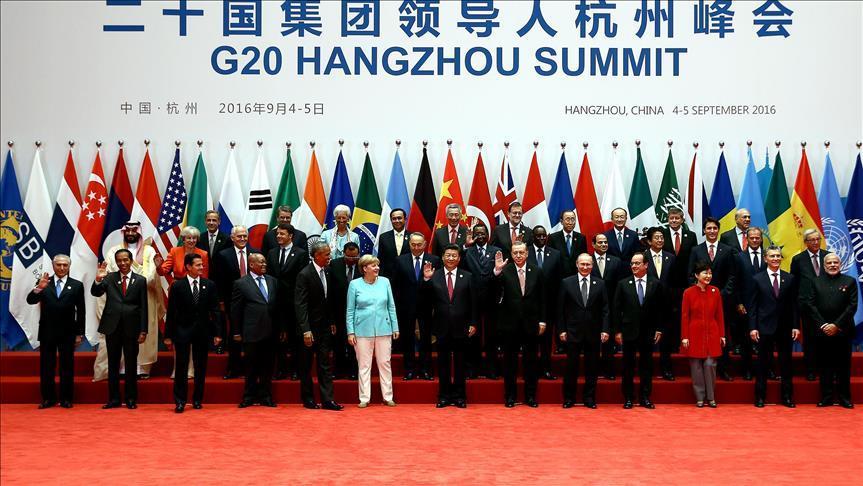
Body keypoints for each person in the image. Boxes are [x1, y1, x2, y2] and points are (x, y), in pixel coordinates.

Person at [93, 222, 163, 381]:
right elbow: (109, 277)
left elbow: (150, 277)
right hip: (118, 301)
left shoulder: (149, 251)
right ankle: (120, 369)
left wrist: (135, 283)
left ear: (139, 232)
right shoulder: (114, 251)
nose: (130, 233)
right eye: (128, 230)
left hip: (143, 300)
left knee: (140, 336)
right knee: (117, 341)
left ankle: (142, 369)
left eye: (134, 230)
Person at [164, 253, 222, 412]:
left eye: (202, 264)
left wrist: (218, 333)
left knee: (200, 367)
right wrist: (168, 335)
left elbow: (215, 310)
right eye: (198, 265)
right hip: (182, 331)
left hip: (202, 331)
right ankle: (180, 401)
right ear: (188, 267)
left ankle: (197, 399)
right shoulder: (177, 286)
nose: (201, 267)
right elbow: (172, 312)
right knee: (181, 367)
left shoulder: (209, 285)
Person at [91, 249, 148, 409]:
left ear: (131, 261)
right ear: (116, 262)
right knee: (113, 364)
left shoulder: (140, 280)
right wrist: (98, 280)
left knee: (131, 364)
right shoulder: (109, 278)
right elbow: (96, 292)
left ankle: (131, 399)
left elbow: (144, 307)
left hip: (132, 328)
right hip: (112, 327)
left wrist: (143, 330)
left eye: (125, 260)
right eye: (119, 261)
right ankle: (114, 399)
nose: (122, 263)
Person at [26, 254, 85, 409]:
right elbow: (30, 300)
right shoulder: (44, 282)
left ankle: (66, 399)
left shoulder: (77, 285)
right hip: (47, 331)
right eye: (58, 265)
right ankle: (48, 399)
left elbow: (81, 311)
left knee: (67, 366)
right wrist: (39, 288)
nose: (62, 268)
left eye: (65, 265)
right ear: (53, 266)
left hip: (68, 332)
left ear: (69, 266)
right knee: (47, 366)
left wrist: (79, 333)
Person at [423, 244, 478, 408]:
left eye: (454, 255)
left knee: (460, 364)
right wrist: (426, 280)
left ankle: (460, 397)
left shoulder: (467, 276)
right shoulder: (433, 275)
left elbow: (473, 303)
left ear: (459, 258)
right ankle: (444, 396)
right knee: (443, 364)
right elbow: (424, 301)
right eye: (448, 255)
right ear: (442, 257)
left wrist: (473, 323)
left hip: (462, 327)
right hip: (441, 326)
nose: (451, 258)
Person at [801, 253, 858, 408]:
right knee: (824, 366)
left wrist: (836, 325)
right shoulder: (815, 282)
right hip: (822, 332)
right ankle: (826, 397)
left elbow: (852, 306)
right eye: (829, 263)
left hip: (843, 331)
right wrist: (824, 325)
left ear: (840, 264)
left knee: (843, 367)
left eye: (835, 262)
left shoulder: (850, 281)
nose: (833, 265)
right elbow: (810, 305)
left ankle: (845, 398)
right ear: (824, 265)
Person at [493, 241, 546, 408]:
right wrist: (496, 272)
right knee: (510, 363)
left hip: (531, 323)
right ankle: (510, 397)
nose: (518, 255)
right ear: (511, 254)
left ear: (527, 253)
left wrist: (542, 320)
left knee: (531, 362)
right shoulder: (504, 271)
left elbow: (543, 298)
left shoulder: (537, 271)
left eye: (521, 252)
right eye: (515, 252)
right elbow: (494, 294)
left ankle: (530, 397)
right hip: (510, 324)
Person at [748, 246, 799, 408]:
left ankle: (787, 397)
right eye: (772, 256)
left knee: (786, 363)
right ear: (765, 259)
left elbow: (794, 305)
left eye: (778, 256)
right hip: (764, 327)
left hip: (785, 327)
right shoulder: (757, 279)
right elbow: (753, 306)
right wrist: (753, 327)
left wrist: (795, 326)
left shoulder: (790, 278)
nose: (776, 259)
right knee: (762, 364)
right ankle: (760, 397)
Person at [295, 241, 343, 411]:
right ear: (316, 255)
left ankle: (328, 400)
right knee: (306, 365)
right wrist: (305, 330)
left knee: (324, 364)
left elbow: (329, 300)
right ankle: (308, 398)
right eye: (327, 254)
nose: (330, 257)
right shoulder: (304, 274)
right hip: (309, 328)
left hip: (324, 327)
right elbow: (300, 304)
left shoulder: (328, 271)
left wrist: (332, 321)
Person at [613, 253, 665, 409]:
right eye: (632, 263)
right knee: (628, 366)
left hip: (648, 331)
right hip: (629, 331)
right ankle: (628, 398)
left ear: (646, 265)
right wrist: (617, 331)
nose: (634, 266)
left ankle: (645, 397)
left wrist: (659, 328)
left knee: (646, 366)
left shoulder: (655, 283)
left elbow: (660, 309)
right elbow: (616, 309)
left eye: (637, 263)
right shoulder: (623, 284)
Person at [347, 255, 400, 408]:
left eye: (378, 265)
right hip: (361, 330)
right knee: (364, 365)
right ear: (364, 268)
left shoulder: (385, 282)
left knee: (385, 363)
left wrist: (395, 327)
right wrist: (350, 332)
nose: (377, 268)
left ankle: (388, 396)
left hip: (384, 328)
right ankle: (364, 398)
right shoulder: (354, 284)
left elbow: (391, 306)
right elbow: (350, 310)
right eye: (373, 265)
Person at [558, 254, 609, 409]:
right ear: (577, 264)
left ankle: (589, 398)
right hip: (572, 332)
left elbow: (605, 309)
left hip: (593, 332)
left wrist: (605, 329)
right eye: (582, 264)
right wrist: (561, 329)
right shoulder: (566, 283)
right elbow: (560, 309)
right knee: (571, 367)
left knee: (592, 367)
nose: (585, 267)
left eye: (588, 264)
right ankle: (569, 398)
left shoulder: (600, 283)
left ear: (592, 265)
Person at [688, 217, 737, 381]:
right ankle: (702, 369)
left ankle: (723, 369)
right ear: (704, 231)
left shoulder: (728, 250)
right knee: (702, 335)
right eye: (708, 228)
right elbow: (690, 275)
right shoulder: (696, 250)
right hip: (700, 301)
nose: (711, 231)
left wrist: (721, 294)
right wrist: (700, 292)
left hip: (722, 300)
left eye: (714, 228)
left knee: (722, 335)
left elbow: (732, 275)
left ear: (718, 230)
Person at [232, 253, 280, 408]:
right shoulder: (241, 283)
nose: (264, 264)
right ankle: (249, 397)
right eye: (261, 262)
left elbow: (278, 306)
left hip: (270, 331)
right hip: (251, 332)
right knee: (251, 367)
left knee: (268, 367)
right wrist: (236, 331)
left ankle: (266, 396)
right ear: (251, 265)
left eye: (265, 262)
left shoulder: (273, 281)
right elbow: (236, 310)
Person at [392, 232, 441, 380]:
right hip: (406, 307)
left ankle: (426, 370)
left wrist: (427, 280)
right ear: (409, 244)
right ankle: (409, 370)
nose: (416, 247)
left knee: (426, 339)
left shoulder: (434, 260)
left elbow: (438, 285)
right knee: (408, 339)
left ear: (425, 244)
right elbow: (396, 285)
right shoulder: (400, 260)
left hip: (427, 306)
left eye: (419, 244)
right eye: (413, 244)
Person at [212, 225, 258, 379]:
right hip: (233, 302)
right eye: (239, 236)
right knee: (235, 336)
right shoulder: (223, 255)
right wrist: (221, 301)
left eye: (245, 236)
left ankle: (251, 370)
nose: (243, 238)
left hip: (253, 302)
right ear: (232, 238)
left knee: (252, 337)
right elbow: (219, 280)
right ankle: (233, 368)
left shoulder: (256, 253)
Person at [265, 223, 309, 381]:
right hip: (276, 303)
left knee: (295, 339)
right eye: (277, 234)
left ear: (291, 236)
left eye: (282, 234)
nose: (278, 236)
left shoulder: (301, 254)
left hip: (293, 303)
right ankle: (281, 369)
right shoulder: (272, 253)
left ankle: (296, 369)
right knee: (278, 339)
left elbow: (302, 279)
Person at [681, 261, 727, 408]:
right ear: (696, 275)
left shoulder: (715, 291)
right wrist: (685, 337)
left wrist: (722, 335)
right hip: (694, 332)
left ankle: (711, 397)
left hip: (712, 332)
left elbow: (719, 315)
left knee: (710, 364)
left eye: (710, 273)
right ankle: (700, 397)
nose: (708, 276)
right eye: (705, 273)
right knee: (696, 367)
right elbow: (685, 316)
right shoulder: (688, 293)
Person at [460, 223, 501, 379]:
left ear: (488, 235)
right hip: (471, 300)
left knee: (492, 336)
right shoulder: (467, 252)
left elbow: (500, 275)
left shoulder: (496, 251)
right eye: (477, 234)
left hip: (492, 299)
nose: (480, 236)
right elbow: (458, 264)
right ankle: (472, 369)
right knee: (472, 335)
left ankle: (492, 369)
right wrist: (465, 245)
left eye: (483, 233)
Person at [789, 228, 829, 381]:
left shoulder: (828, 256)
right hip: (807, 307)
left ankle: (826, 370)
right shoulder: (798, 259)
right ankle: (810, 370)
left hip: (827, 306)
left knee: (826, 340)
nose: (815, 242)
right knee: (810, 340)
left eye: (818, 239)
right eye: (812, 240)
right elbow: (794, 285)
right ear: (806, 242)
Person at [731, 226, 767, 381]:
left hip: (765, 305)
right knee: (746, 340)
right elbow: (735, 282)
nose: (755, 240)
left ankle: (767, 370)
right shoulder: (739, 257)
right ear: (747, 239)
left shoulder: (768, 256)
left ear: (761, 239)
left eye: (757, 237)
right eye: (752, 238)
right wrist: (738, 303)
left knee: (765, 340)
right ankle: (747, 370)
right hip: (745, 305)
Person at [529, 225, 563, 380]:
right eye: (538, 236)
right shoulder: (526, 252)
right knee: (530, 341)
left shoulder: (555, 254)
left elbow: (560, 279)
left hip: (549, 305)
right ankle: (532, 370)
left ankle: (546, 368)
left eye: (544, 235)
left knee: (546, 340)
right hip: (529, 304)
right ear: (533, 237)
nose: (542, 238)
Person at [591, 233, 625, 379]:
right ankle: (594, 370)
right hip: (590, 307)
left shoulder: (616, 261)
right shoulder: (587, 261)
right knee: (592, 341)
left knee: (608, 341)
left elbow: (619, 285)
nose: (604, 244)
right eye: (600, 242)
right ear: (593, 244)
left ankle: (608, 370)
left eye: (605, 242)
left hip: (610, 307)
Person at [644, 227, 677, 380]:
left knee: (666, 340)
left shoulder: (671, 257)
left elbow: (675, 281)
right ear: (649, 241)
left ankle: (666, 369)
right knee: (647, 340)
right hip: (647, 304)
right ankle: (647, 370)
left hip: (666, 305)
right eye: (656, 237)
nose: (660, 240)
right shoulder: (642, 257)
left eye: (662, 237)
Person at [329, 242, 361, 379]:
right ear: (343, 254)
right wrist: (331, 319)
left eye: (355, 257)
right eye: (349, 257)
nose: (352, 260)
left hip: (358, 313)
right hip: (338, 311)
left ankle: (354, 370)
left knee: (355, 344)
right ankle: (339, 370)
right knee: (339, 343)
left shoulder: (362, 265)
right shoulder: (334, 265)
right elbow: (330, 292)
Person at [547, 210, 587, 277]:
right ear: (561, 221)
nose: (570, 222)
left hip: (576, 276)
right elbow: (550, 259)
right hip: (558, 276)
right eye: (567, 219)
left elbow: (584, 257)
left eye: (573, 219)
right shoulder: (553, 238)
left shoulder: (581, 238)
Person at [377, 208, 408, 279]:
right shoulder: (383, 237)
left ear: (405, 219)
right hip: (388, 277)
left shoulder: (412, 236)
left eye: (399, 218)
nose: (397, 221)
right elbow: (381, 259)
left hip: (407, 277)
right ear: (391, 220)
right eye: (394, 219)